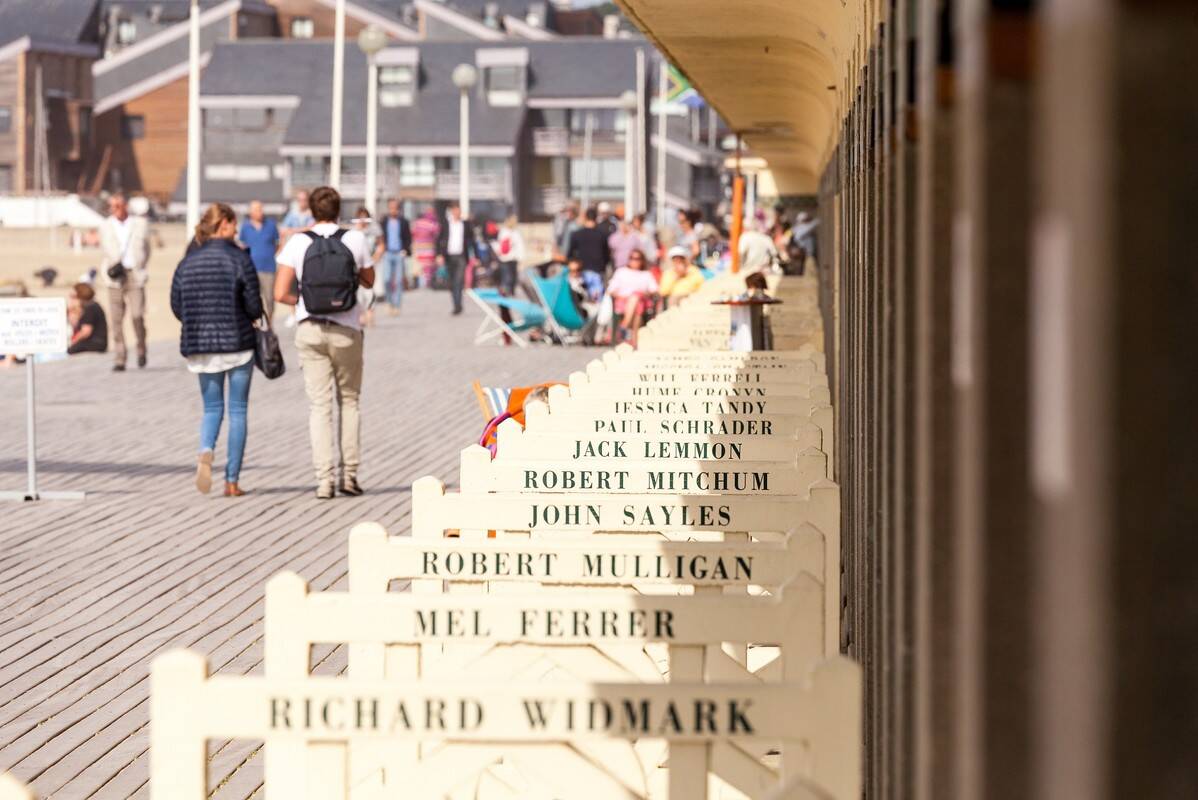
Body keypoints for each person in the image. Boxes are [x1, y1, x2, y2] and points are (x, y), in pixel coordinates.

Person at [274, 186, 375, 500]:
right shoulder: (354, 239)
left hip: (311, 329)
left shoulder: (298, 242)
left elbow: (279, 293)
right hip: (346, 329)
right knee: (350, 401)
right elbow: (369, 280)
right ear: (338, 210)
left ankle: (324, 480)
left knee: (319, 406)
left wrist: (305, 301)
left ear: (312, 211)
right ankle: (350, 476)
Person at [170, 203, 263, 498]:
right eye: (234, 224)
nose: (237, 229)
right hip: (238, 343)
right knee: (238, 410)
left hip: (201, 344)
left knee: (211, 408)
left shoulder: (188, 262)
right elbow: (254, 306)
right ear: (224, 224)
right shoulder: (240, 258)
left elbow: (177, 305)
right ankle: (232, 481)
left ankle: (206, 449)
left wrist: (198, 319)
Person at [99, 193, 151, 371]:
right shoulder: (105, 226)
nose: (115, 210)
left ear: (125, 206)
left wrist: (142, 266)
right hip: (114, 276)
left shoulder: (140, 224)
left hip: (135, 273)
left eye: (118, 206)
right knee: (116, 319)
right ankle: (120, 357)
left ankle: (141, 346)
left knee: (137, 315)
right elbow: (105, 250)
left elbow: (147, 249)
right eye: (112, 206)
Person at [605, 248, 659, 344]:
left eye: (637, 258)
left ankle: (624, 326)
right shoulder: (621, 272)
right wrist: (626, 297)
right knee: (636, 303)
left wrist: (641, 294)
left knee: (636, 299)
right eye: (632, 258)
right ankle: (634, 339)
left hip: (642, 301)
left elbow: (654, 290)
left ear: (642, 260)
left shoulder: (646, 274)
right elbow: (611, 290)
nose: (634, 261)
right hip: (623, 302)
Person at [238, 201, 280, 319]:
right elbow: (242, 245)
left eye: (261, 209)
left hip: (268, 268)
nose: (259, 212)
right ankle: (255, 323)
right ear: (251, 212)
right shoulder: (245, 227)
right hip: (251, 268)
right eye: (256, 210)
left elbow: (277, 244)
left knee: (269, 298)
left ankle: (269, 323)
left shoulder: (271, 225)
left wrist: (269, 254)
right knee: (252, 298)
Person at [435, 202, 475, 315]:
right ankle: (455, 303)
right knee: (452, 282)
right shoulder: (446, 224)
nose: (457, 212)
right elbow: (438, 240)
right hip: (449, 256)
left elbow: (472, 241)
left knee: (459, 281)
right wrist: (439, 255)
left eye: (458, 210)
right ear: (452, 211)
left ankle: (458, 305)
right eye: (455, 210)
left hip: (461, 256)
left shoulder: (466, 224)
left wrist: (476, 256)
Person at [379, 198, 412, 312]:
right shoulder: (384, 221)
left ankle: (397, 305)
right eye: (391, 207)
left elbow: (408, 237)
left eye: (395, 207)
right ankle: (389, 302)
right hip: (387, 253)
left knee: (398, 281)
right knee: (386, 279)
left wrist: (405, 250)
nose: (393, 210)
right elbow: (380, 236)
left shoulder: (404, 221)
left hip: (399, 254)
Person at [353, 207, 383, 327]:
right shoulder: (353, 231)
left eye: (365, 217)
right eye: (360, 217)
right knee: (358, 293)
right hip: (356, 266)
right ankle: (361, 316)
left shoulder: (374, 229)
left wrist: (376, 257)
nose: (363, 220)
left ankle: (370, 315)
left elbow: (381, 245)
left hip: (370, 264)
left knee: (370, 291)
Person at [567, 207, 612, 279]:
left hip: (581, 272)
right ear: (596, 218)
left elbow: (570, 255)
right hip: (598, 271)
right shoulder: (603, 235)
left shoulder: (577, 234)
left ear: (585, 218)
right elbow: (607, 255)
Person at [67, 283, 108, 355]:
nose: (71, 299)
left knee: (69, 350)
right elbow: (75, 324)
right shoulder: (92, 305)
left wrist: (74, 340)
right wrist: (73, 311)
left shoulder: (90, 308)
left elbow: (86, 331)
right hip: (98, 342)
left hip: (94, 343)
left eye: (73, 296)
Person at [411, 207, 440, 288]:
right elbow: (437, 236)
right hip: (429, 248)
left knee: (419, 267)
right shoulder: (434, 224)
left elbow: (413, 234)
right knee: (428, 268)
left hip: (419, 248)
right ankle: (427, 283)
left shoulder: (417, 223)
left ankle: (420, 283)